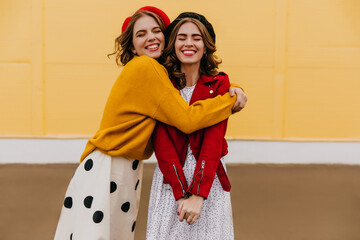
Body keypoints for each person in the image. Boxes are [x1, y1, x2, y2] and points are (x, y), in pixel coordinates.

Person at [54, 7, 246, 240]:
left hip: (121, 165)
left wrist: (228, 87)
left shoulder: (158, 74)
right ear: (132, 46)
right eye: (141, 34)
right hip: (109, 166)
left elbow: (204, 82)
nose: (151, 37)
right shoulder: (147, 68)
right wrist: (229, 100)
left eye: (156, 30)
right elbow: (187, 119)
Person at [146, 13, 236, 239]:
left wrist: (198, 195)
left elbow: (213, 142)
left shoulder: (220, 85)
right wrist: (180, 194)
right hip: (171, 179)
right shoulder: (162, 84)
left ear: (206, 46)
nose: (188, 43)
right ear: (172, 44)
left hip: (208, 179)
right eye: (181, 37)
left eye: (196, 38)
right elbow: (162, 142)